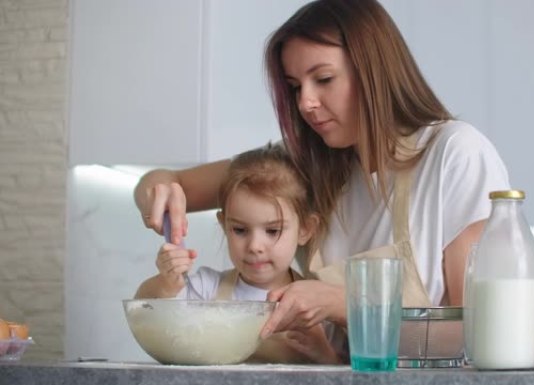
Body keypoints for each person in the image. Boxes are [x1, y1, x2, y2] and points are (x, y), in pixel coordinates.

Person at [134, 0, 509, 342]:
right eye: (295, 87)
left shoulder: (455, 155)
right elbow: (168, 182)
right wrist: (157, 189)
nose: (306, 104)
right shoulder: (306, 162)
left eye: (324, 79)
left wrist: (343, 304)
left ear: (373, 71)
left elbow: (478, 335)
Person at [134, 145, 342, 364]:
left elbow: (339, 375)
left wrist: (325, 355)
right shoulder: (206, 289)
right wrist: (167, 281)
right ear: (224, 224)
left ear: (305, 230)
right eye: (240, 230)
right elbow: (147, 310)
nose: (255, 246)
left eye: (272, 231)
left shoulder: (315, 306)